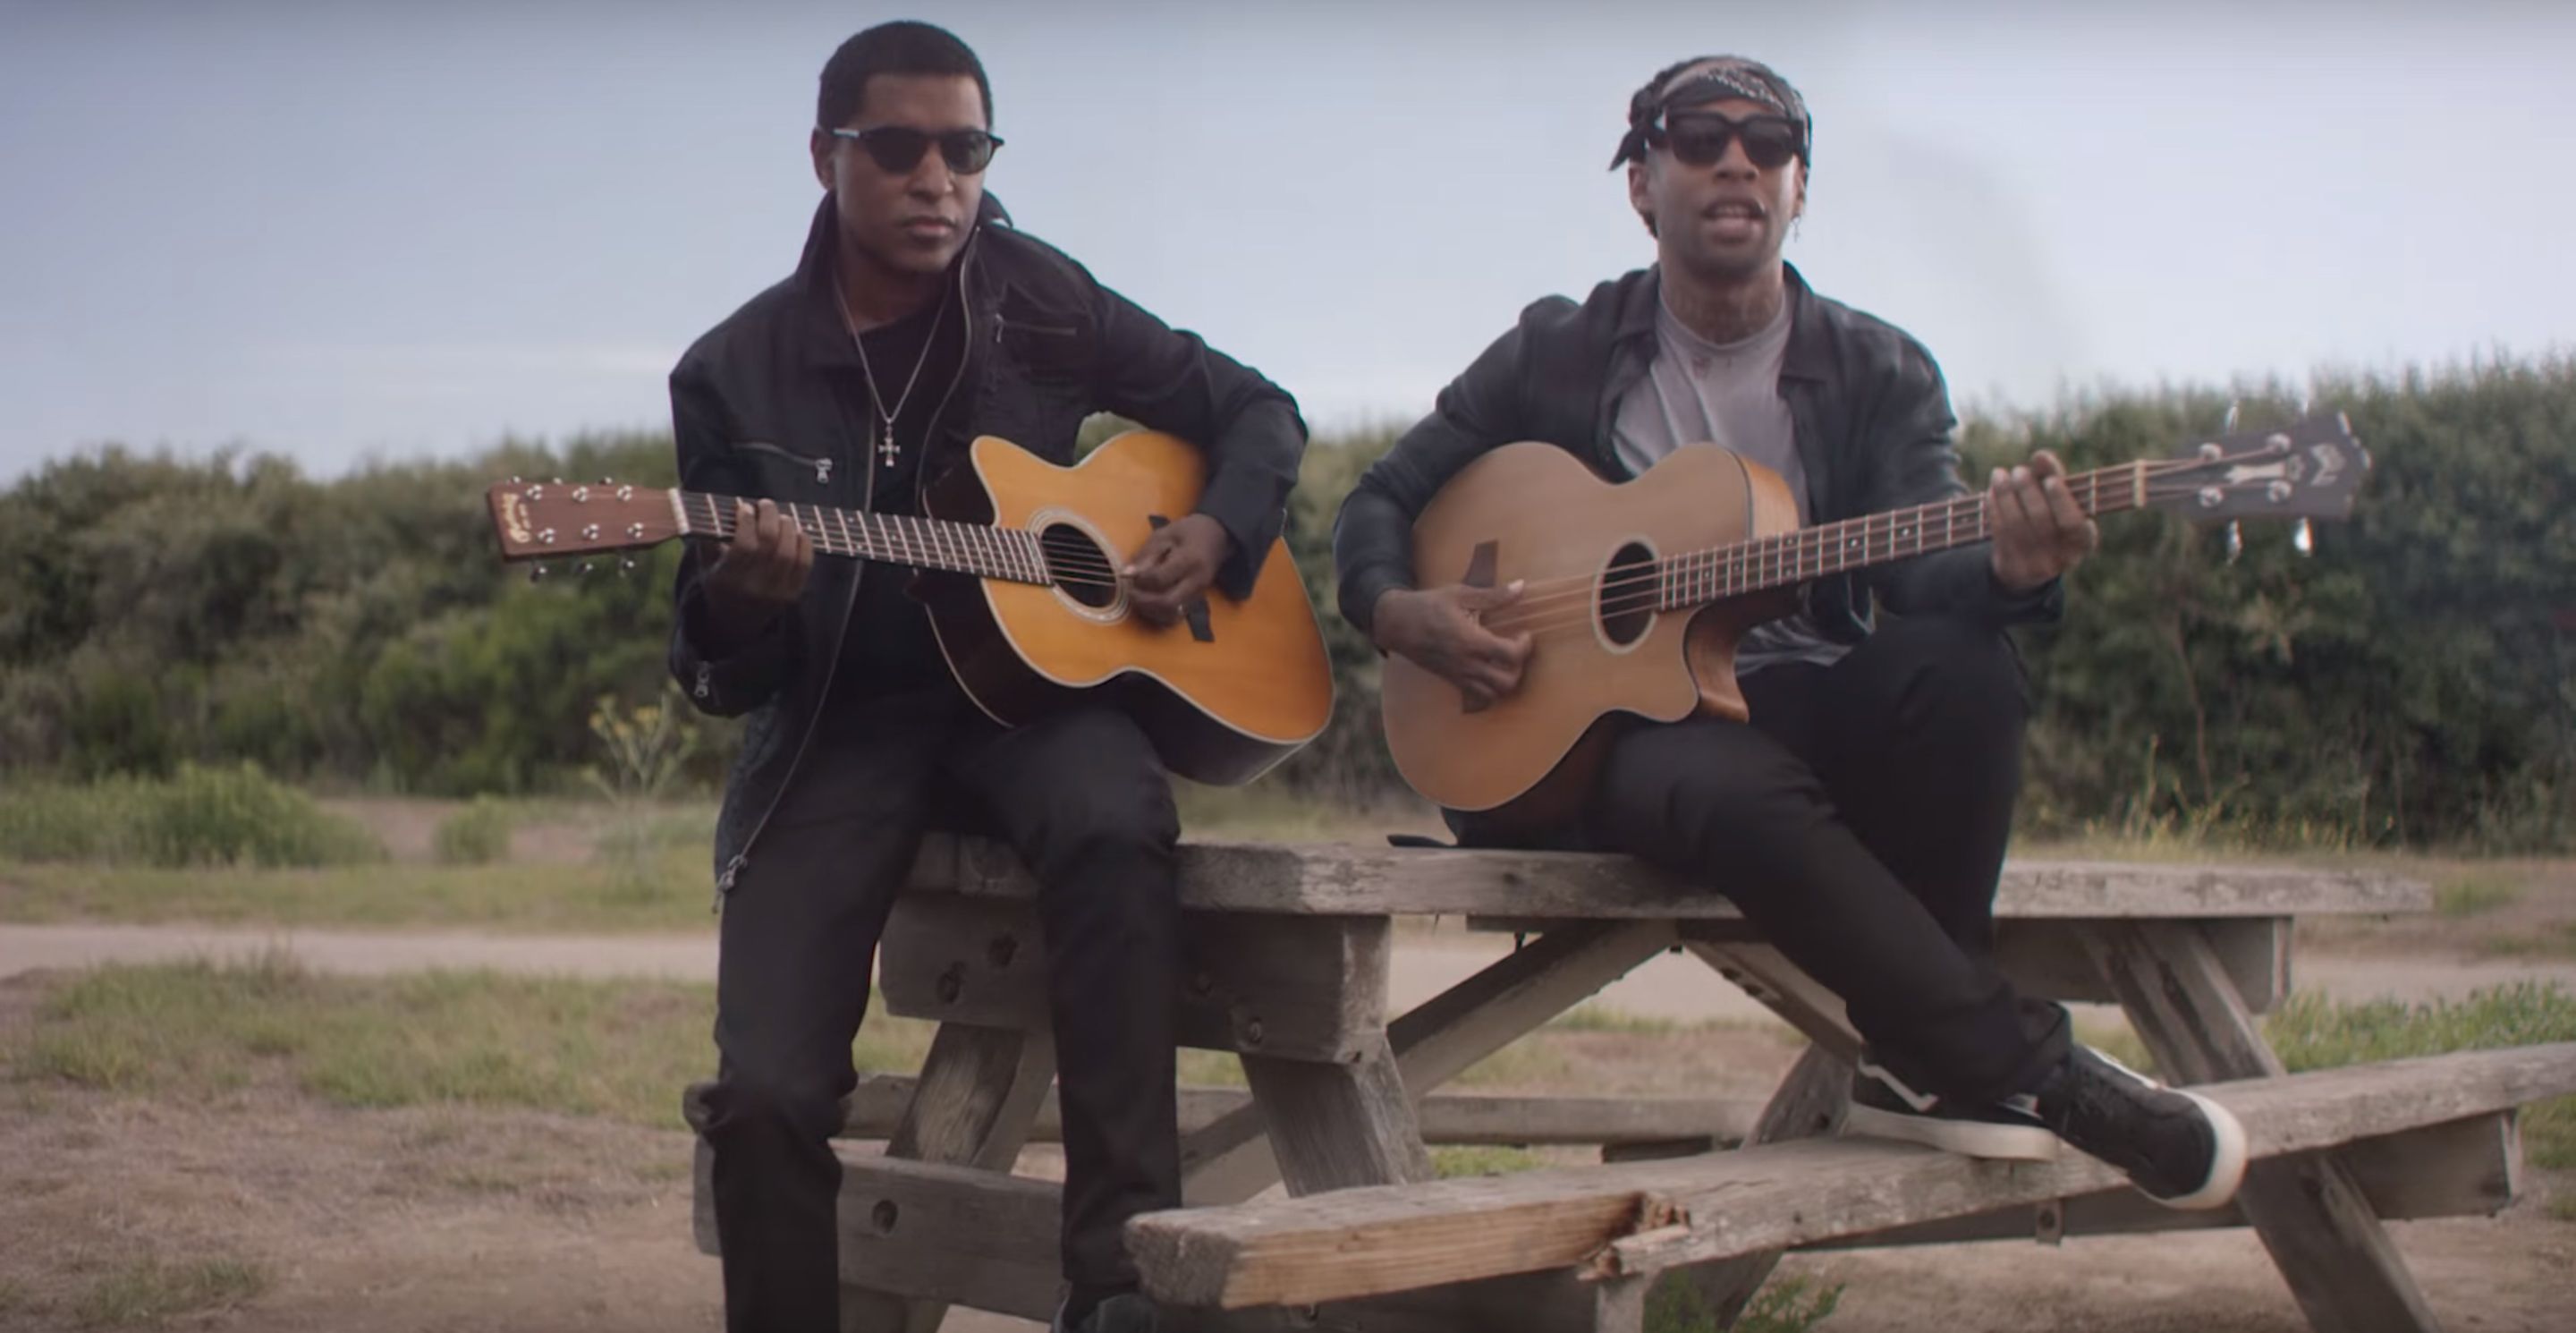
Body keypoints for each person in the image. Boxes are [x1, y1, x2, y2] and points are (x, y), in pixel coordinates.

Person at [1332, 55, 2246, 1210]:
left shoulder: (1880, 369)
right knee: (1732, 787)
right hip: (1594, 740)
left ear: (1798, 187)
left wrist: (2008, 568)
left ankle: (1923, 1057)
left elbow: (1921, 572)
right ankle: (2032, 1070)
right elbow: (1381, 499)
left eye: (1767, 145)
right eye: (1699, 138)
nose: (1736, 161)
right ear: (1642, 182)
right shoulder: (1557, 347)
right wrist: (1399, 611)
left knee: (1965, 666)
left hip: (1794, 703)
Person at [670, 21, 1305, 1333]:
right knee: (767, 1091)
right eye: (899, 147)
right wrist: (740, 604)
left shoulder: (1039, 295)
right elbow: (719, 668)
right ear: (825, 156)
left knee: (1117, 820)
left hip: (1035, 703)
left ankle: (1120, 1279)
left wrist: (1217, 531)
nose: (937, 179)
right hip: (840, 721)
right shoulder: (733, 372)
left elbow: (1258, 409)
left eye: (965, 150)